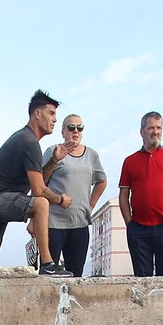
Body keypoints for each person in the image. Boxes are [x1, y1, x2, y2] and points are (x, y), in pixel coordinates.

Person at [0, 89, 74, 276]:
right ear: (37, 114)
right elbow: (39, 190)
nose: (55, 119)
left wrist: (54, 160)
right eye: (51, 113)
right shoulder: (29, 142)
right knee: (41, 203)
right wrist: (60, 200)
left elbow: (38, 180)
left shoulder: (24, 138)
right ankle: (47, 264)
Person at [118, 111, 163, 278]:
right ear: (142, 132)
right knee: (143, 280)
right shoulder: (130, 161)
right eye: (151, 128)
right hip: (139, 229)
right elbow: (123, 195)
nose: (155, 132)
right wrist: (130, 225)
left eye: (159, 128)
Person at [42, 113, 106, 276]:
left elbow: (102, 181)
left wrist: (90, 205)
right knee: (49, 275)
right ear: (63, 131)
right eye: (71, 127)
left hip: (79, 224)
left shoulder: (92, 155)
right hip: (53, 224)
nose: (75, 131)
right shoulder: (52, 151)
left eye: (80, 127)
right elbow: (40, 182)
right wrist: (33, 221)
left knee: (76, 275)